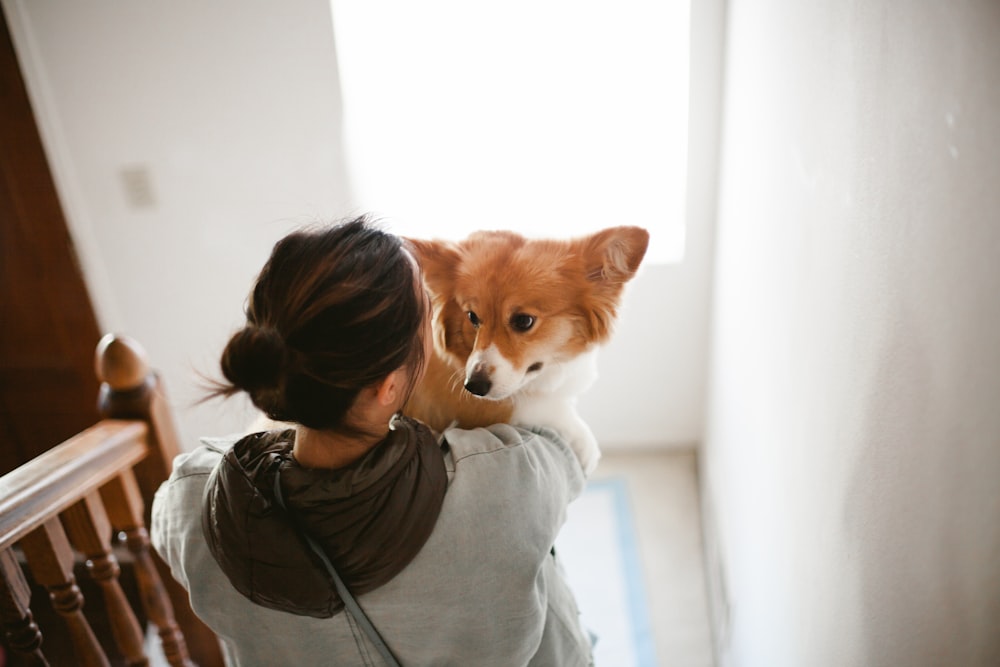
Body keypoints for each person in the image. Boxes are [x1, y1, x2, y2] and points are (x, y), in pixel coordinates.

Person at [150, 215, 594, 666]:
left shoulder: (190, 500)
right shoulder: (511, 477)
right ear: (388, 388)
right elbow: (572, 452)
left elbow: (169, 529)